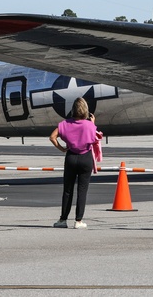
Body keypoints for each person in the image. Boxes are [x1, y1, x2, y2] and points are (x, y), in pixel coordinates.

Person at [49, 98, 101, 229]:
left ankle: (62, 220)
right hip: (85, 158)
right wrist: (93, 123)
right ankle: (78, 221)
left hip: (71, 157)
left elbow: (52, 137)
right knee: (82, 190)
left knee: (67, 190)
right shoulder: (89, 125)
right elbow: (95, 138)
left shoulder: (64, 124)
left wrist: (61, 148)